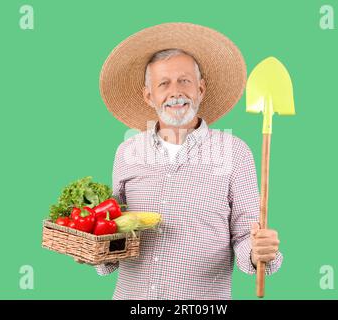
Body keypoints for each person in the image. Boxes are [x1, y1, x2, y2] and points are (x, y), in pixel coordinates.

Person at [92, 22, 283, 299]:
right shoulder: (126, 153)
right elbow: (115, 237)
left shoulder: (235, 153)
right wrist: (92, 247)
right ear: (149, 95)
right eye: (163, 83)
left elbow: (245, 237)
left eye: (185, 81)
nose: (175, 91)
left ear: (200, 89)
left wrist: (258, 252)